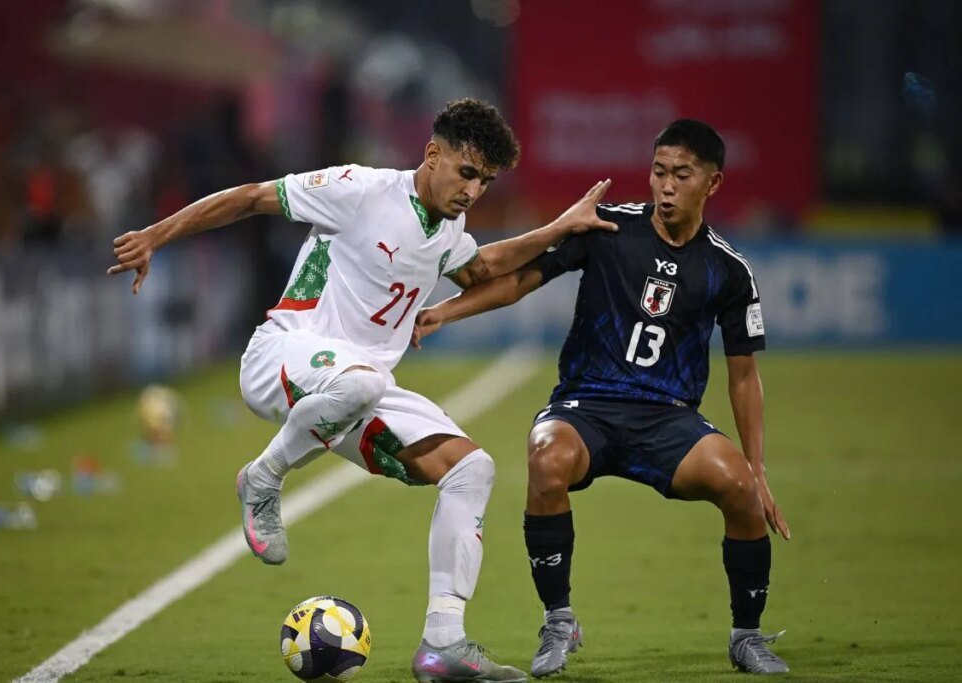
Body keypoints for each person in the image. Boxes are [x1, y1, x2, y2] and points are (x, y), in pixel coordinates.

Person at [108, 98, 617, 683]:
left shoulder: (450, 229)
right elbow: (250, 197)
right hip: (284, 353)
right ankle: (264, 477)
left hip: (356, 389)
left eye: (486, 181)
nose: (473, 191)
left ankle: (443, 644)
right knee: (365, 383)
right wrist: (155, 235)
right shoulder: (359, 187)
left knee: (471, 468)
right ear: (433, 153)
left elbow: (484, 268)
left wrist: (559, 228)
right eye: (467, 172)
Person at [413, 119, 792, 677]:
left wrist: (758, 469)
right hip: (585, 406)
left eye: (681, 175)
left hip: (669, 419)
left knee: (739, 487)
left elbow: (743, 375)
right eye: (659, 171)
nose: (665, 186)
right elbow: (523, 280)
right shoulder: (608, 228)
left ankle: (747, 635)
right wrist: (445, 310)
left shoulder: (729, 271)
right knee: (547, 456)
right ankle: (559, 621)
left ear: (711, 184)